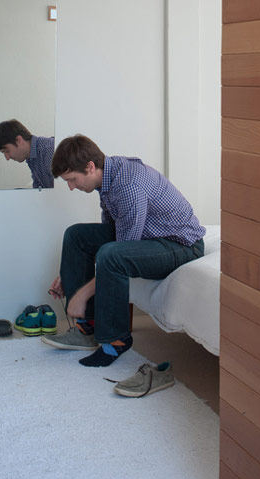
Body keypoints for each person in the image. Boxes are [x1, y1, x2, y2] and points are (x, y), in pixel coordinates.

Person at [44, 134, 206, 368]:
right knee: (76, 236)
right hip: (151, 236)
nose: (70, 187)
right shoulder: (108, 176)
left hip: (181, 246)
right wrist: (68, 273)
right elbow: (110, 231)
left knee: (112, 255)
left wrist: (81, 294)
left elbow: (117, 251)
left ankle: (115, 341)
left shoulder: (128, 186)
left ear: (90, 167)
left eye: (72, 179)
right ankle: (87, 327)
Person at [0, 119, 55, 189]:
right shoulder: (31, 157)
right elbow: (41, 191)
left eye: (7, 151)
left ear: (19, 140)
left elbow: (61, 193)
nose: (7, 158)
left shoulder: (49, 150)